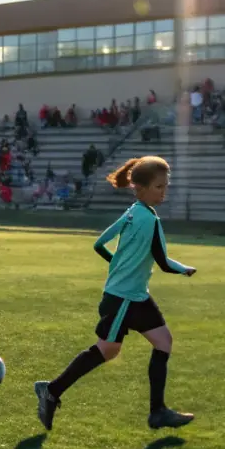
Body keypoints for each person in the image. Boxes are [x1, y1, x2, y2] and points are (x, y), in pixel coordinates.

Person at [34, 155, 196, 433]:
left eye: (165, 186)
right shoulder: (150, 220)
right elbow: (164, 262)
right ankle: (51, 390)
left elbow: (99, 244)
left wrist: (119, 266)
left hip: (135, 296)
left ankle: (158, 412)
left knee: (163, 342)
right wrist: (185, 269)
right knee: (107, 350)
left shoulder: (133, 211)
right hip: (123, 300)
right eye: (159, 187)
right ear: (141, 188)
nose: (163, 192)